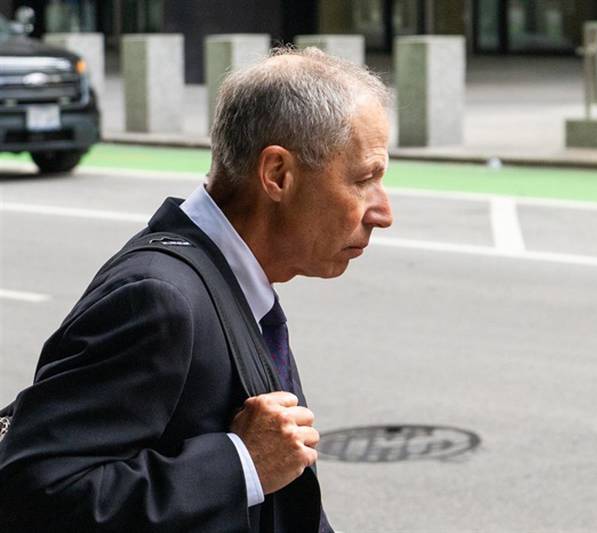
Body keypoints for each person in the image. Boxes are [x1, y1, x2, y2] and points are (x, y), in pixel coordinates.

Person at [0, 47, 393, 532]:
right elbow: (32, 490)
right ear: (277, 175)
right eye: (364, 179)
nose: (383, 212)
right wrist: (239, 463)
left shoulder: (235, 279)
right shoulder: (158, 298)